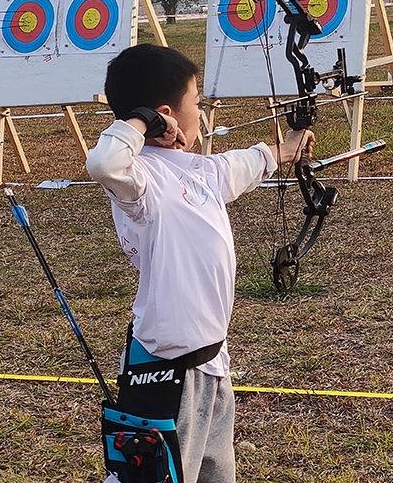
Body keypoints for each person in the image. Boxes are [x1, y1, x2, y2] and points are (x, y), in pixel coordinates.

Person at [86, 43, 314, 483]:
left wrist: (283, 150)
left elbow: (239, 165)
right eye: (195, 104)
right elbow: (102, 161)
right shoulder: (140, 182)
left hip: (212, 364)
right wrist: (141, 120)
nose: (202, 114)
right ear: (166, 113)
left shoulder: (197, 170)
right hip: (166, 369)